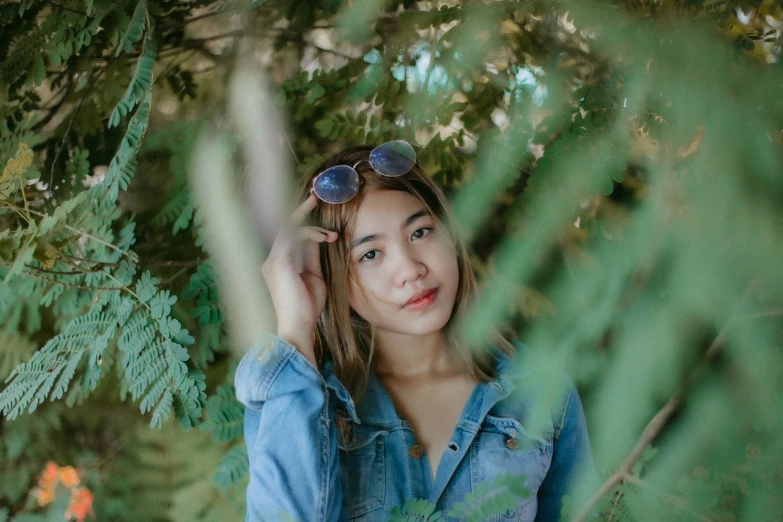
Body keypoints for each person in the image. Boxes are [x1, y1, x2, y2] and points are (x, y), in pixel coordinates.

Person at [235, 141, 593, 522]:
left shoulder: (541, 389)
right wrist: (295, 328)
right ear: (333, 277)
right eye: (370, 254)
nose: (410, 269)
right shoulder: (294, 402)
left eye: (420, 232)